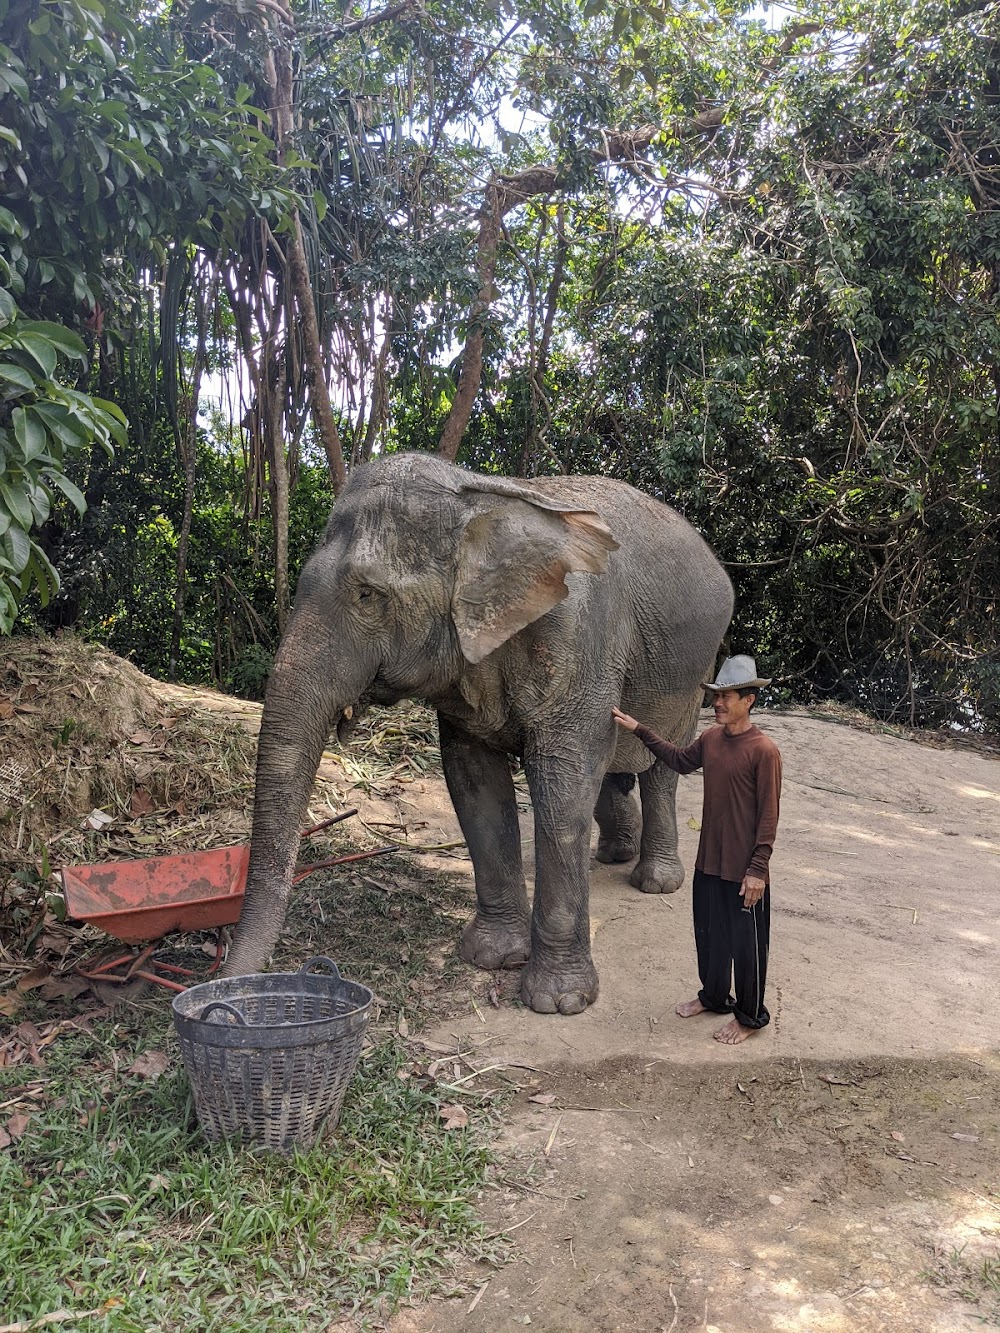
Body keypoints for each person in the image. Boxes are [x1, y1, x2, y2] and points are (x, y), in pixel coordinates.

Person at [612, 655, 782, 1045]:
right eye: (715, 697)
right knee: (711, 936)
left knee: (747, 947)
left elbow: (769, 817)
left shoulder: (764, 751)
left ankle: (749, 1017)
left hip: (744, 871)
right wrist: (640, 729)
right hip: (710, 862)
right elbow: (677, 759)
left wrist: (758, 870)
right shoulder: (710, 740)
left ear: (749, 700)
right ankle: (714, 997)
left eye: (725, 697)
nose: (717, 704)